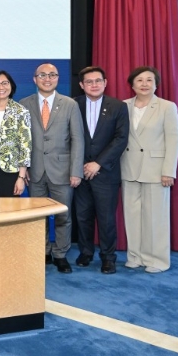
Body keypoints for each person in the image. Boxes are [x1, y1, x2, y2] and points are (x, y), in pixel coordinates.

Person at [20, 63, 84, 273]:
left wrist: (76, 171)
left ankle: (61, 254)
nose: (47, 79)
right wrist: (23, 168)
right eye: (43, 75)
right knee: (38, 216)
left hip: (63, 171)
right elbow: (22, 140)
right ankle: (44, 250)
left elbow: (77, 139)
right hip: (35, 171)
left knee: (63, 215)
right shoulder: (24, 104)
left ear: (57, 78)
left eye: (52, 75)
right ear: (35, 79)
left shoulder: (70, 104)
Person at [120, 66, 178, 273]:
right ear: (132, 84)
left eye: (149, 80)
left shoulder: (166, 107)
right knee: (132, 216)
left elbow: (174, 139)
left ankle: (157, 260)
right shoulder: (123, 106)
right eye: (139, 80)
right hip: (129, 168)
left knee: (156, 217)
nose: (144, 84)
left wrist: (169, 171)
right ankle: (135, 256)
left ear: (156, 84)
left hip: (156, 170)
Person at [73, 66, 130, 274]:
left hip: (105, 172)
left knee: (106, 219)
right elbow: (68, 137)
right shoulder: (73, 105)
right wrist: (79, 164)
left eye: (98, 80)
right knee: (83, 216)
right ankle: (86, 252)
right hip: (80, 171)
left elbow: (120, 138)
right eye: (89, 81)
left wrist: (98, 163)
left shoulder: (118, 106)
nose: (94, 85)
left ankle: (108, 257)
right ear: (82, 85)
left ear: (105, 83)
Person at [0, 70, 32, 197]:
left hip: (11, 170)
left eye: (5, 83)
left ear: (11, 86)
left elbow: (25, 146)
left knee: (9, 208)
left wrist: (21, 177)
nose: (1, 87)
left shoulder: (21, 111)